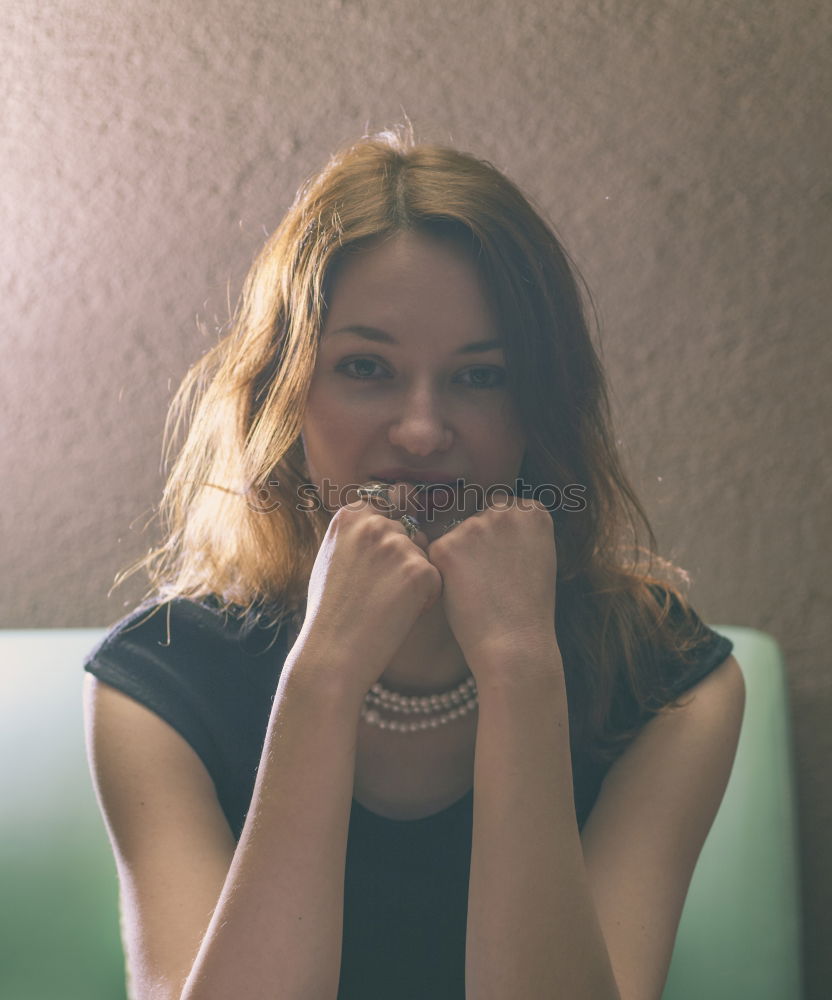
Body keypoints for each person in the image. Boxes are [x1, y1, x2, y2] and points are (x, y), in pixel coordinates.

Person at [82, 123, 745, 1000]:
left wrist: (518, 671)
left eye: (481, 377)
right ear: (287, 390)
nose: (423, 431)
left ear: (541, 405)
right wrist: (324, 673)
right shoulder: (156, 681)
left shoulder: (671, 684)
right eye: (366, 367)